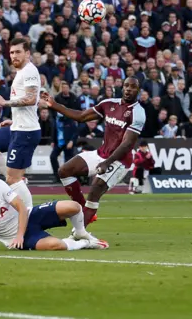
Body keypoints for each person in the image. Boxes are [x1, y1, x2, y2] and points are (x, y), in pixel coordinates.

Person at [41, 76, 145, 227]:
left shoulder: (138, 113)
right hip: (101, 153)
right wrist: (54, 105)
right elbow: (81, 116)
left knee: (95, 188)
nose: (129, 89)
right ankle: (84, 210)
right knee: (64, 170)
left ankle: (79, 233)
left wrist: (106, 163)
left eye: (133, 87)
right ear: (122, 87)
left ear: (138, 90)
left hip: (120, 160)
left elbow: (127, 144)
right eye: (126, 85)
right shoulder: (108, 104)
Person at [0, 165, 108, 251]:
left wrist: (19, 233)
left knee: (74, 206)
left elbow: (22, 208)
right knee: (56, 245)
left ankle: (80, 232)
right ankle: (84, 243)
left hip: (29, 217)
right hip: (15, 238)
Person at [0, 38, 41, 208]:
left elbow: (32, 99)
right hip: (17, 126)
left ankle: (30, 216)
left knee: (11, 180)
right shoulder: (21, 72)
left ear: (27, 53)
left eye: (18, 52)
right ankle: (18, 179)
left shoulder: (29, 71)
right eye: (11, 52)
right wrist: (14, 118)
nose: (14, 56)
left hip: (26, 131)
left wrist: (5, 103)